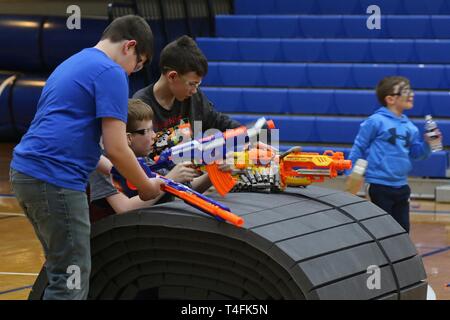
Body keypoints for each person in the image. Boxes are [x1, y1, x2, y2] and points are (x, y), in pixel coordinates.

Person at [9, 15, 163, 300]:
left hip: (27, 173)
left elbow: (70, 135)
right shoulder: (111, 72)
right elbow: (117, 147)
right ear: (129, 46)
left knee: (62, 274)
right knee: (71, 283)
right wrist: (146, 186)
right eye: (137, 65)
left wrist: (110, 168)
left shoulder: (74, 62)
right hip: (55, 179)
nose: (131, 73)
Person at [346, 76, 442, 233]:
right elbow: (359, 146)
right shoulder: (375, 121)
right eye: (405, 91)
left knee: (402, 232)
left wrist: (427, 144)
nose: (411, 94)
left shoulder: (410, 127)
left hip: (402, 186)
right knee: (381, 231)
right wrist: (350, 172)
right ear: (390, 99)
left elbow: (417, 154)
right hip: (378, 185)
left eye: (410, 90)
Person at [89, 99, 211, 220]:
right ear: (129, 138)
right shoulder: (104, 165)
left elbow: (190, 190)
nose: (154, 135)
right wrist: (170, 180)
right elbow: (124, 209)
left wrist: (213, 173)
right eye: (148, 130)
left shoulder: (143, 157)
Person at [133, 35, 241, 156]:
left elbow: (218, 121)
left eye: (197, 84)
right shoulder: (141, 105)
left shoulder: (194, 97)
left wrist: (249, 135)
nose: (194, 90)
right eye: (192, 84)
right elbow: (142, 153)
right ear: (172, 76)